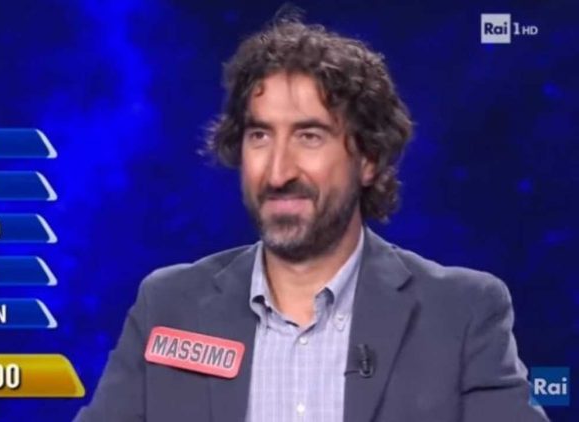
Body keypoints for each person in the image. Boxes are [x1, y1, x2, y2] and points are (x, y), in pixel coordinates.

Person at [76, 16, 548, 422]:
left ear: (368, 158)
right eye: (260, 136)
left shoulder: (460, 314)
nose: (278, 172)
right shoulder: (168, 305)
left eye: (310, 136)